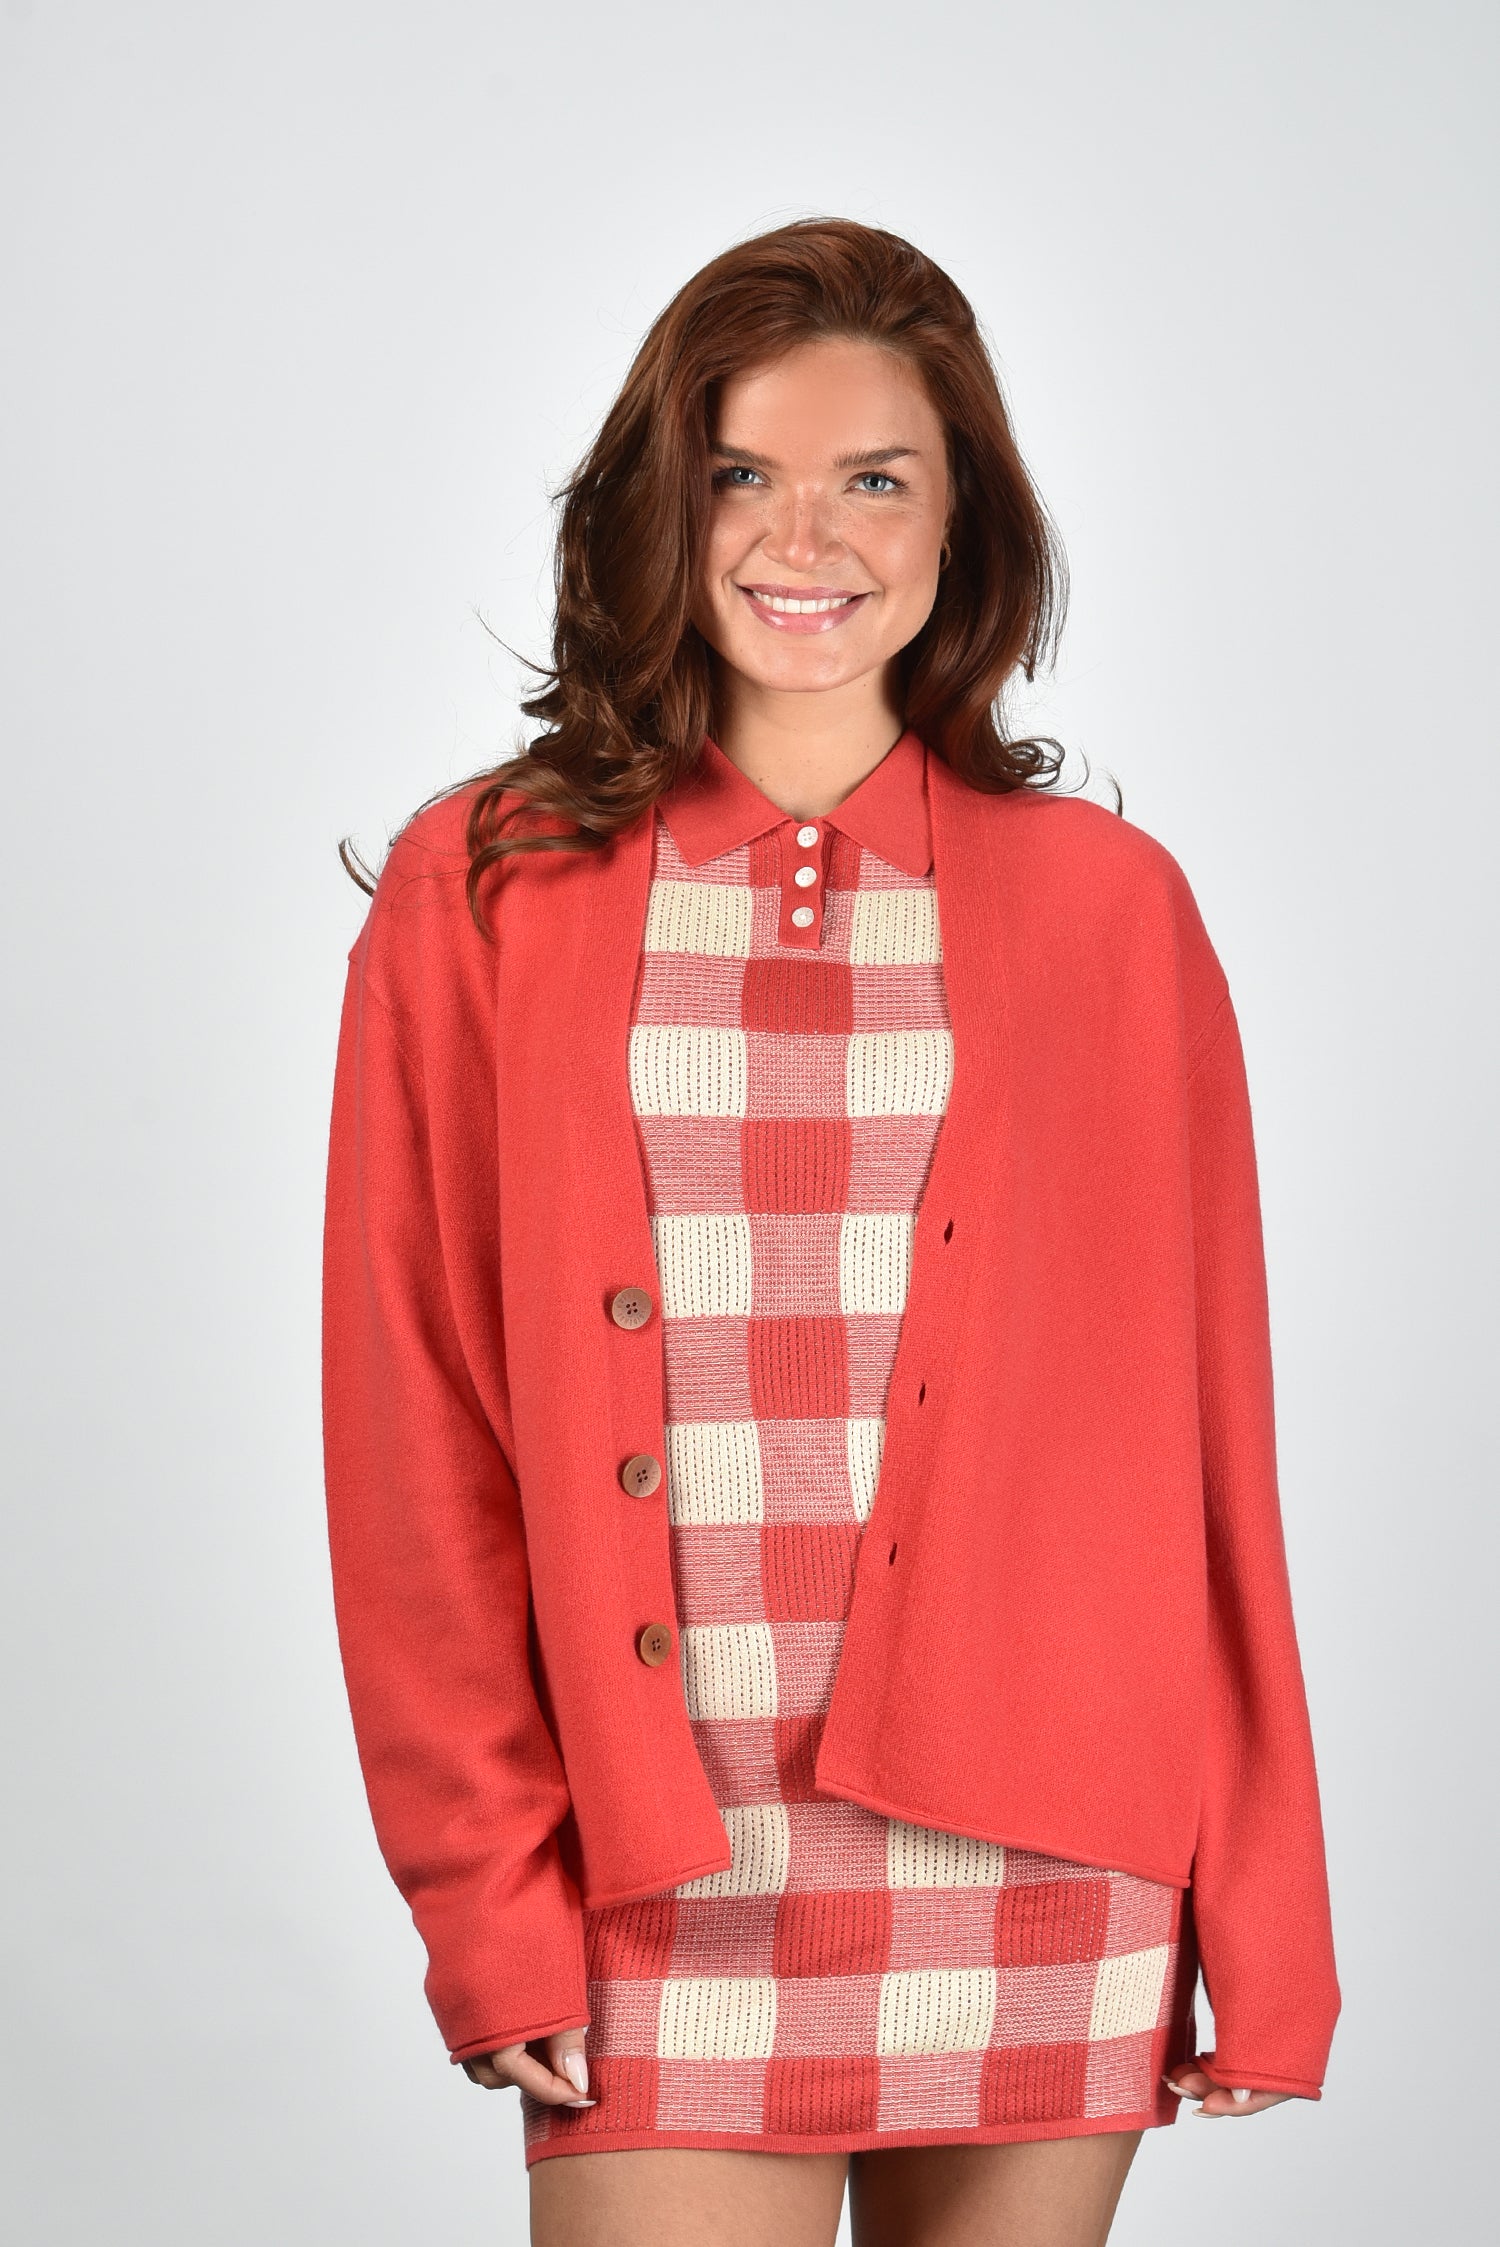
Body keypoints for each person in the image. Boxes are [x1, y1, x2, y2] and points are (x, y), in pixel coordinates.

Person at [321, 218, 1339, 2247]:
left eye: (877, 476)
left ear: (965, 523)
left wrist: (1269, 1908)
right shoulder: (486, 890)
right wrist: (485, 1891)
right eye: (742, 473)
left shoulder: (1111, 911)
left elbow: (1206, 1452)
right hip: (654, 1864)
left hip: (1053, 1859)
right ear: (661, 506)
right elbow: (414, 1434)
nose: (809, 536)